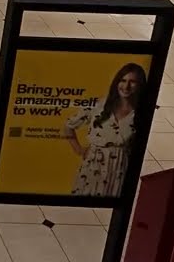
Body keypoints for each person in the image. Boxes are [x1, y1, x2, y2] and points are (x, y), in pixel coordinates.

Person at [63, 63, 147, 196]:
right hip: (93, 167)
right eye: (123, 80)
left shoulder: (141, 113)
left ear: (140, 85)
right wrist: (79, 150)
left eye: (132, 82)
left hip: (120, 169)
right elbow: (68, 126)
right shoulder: (99, 105)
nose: (126, 86)